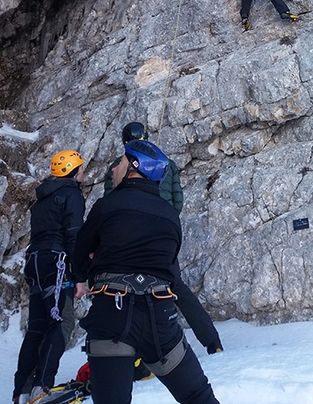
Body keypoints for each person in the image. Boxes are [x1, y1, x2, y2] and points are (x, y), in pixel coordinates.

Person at [73, 139, 221, 404]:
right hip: (160, 317)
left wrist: (98, 261)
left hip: (111, 313)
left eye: (119, 162)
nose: (113, 169)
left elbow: (79, 257)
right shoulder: (170, 216)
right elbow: (167, 265)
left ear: (134, 166)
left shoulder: (107, 205)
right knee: (198, 396)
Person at [104, 122, 223, 367]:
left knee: (132, 292)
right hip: (163, 237)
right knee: (175, 286)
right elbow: (177, 203)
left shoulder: (117, 167)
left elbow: (110, 204)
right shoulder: (168, 164)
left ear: (124, 141)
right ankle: (212, 341)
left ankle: (137, 359)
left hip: (130, 238)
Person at [12, 151, 86, 404]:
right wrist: (79, 276)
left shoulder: (42, 198)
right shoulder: (71, 194)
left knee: (36, 328)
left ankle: (20, 390)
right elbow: (74, 234)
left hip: (35, 262)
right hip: (57, 263)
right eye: (80, 168)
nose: (83, 172)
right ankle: (41, 385)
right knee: (62, 324)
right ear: (72, 171)